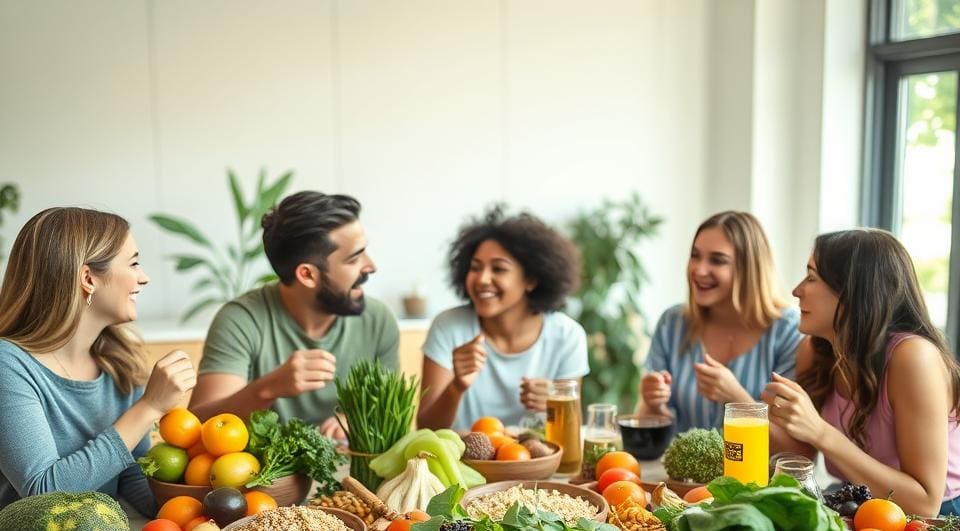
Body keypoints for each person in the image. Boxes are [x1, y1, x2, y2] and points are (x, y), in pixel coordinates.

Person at [0, 207, 197, 512]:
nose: (143, 278)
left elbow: (132, 478)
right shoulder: (8, 364)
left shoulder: (118, 362)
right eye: (133, 263)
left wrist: (213, 492)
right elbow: (43, 493)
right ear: (88, 278)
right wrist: (149, 407)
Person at [763, 229, 960, 518]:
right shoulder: (815, 351)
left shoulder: (913, 358)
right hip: (857, 504)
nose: (796, 290)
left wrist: (820, 431)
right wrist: (756, 414)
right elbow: (800, 453)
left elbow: (925, 503)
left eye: (811, 277)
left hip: (941, 521)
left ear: (852, 291)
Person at [189, 192, 400, 438]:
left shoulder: (378, 320)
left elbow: (391, 415)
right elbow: (199, 425)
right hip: (265, 474)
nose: (371, 266)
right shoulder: (241, 320)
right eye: (354, 259)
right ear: (308, 275)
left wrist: (354, 420)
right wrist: (267, 389)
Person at [417, 208, 589, 433]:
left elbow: (571, 431)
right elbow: (426, 428)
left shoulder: (567, 335)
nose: (482, 279)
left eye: (498, 269)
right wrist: (456, 387)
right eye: (475, 267)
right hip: (463, 463)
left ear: (531, 279)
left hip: (534, 464)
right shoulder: (449, 327)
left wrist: (556, 404)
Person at [637, 211, 802, 432]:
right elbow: (651, 429)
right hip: (679, 468)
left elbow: (793, 448)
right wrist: (653, 404)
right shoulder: (672, 323)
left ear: (749, 268)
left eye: (717, 260)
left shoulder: (788, 330)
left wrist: (736, 398)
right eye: (695, 255)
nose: (699, 269)